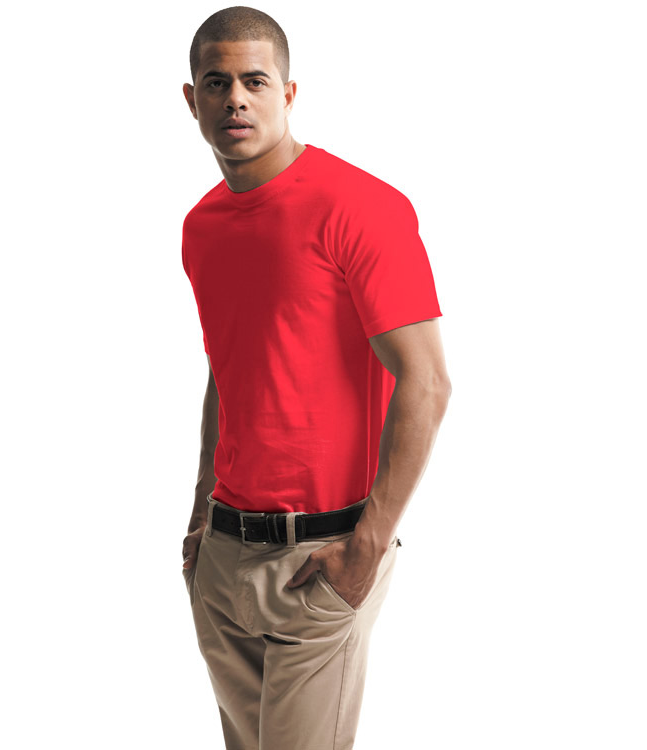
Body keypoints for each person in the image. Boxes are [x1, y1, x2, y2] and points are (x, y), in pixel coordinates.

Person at [178, 7, 452, 749]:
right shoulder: (202, 225)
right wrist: (201, 516)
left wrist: (367, 548)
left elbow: (427, 383)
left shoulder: (359, 207)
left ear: (289, 93)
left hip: (320, 559)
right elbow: (230, 366)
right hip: (224, 556)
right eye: (217, 83)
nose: (235, 98)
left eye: (255, 81)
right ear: (192, 99)